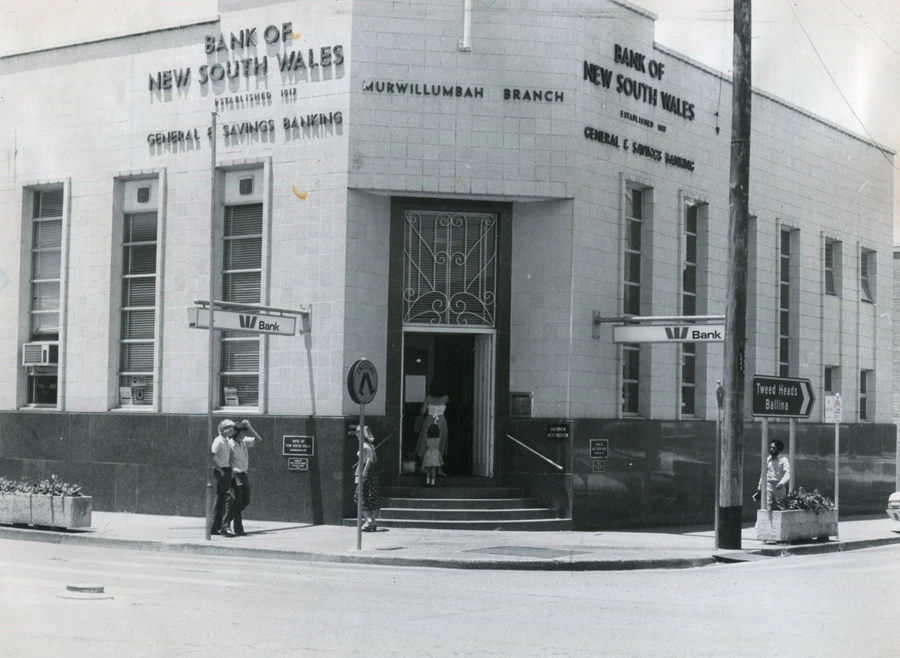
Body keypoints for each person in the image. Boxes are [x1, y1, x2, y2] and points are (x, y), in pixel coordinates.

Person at [228, 419, 263, 537]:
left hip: (244, 474)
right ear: (237, 432)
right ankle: (238, 528)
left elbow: (259, 439)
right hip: (235, 474)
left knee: (246, 500)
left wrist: (250, 427)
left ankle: (225, 519)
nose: (244, 435)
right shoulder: (230, 444)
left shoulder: (244, 442)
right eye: (243, 432)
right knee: (238, 501)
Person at [415, 379, 450, 476]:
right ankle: (438, 470)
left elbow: (422, 411)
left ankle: (426, 468)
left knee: (425, 444)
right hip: (442, 421)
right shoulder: (445, 398)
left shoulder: (428, 398)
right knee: (440, 445)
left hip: (429, 421)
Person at [354, 425, 382, 532]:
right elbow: (375, 460)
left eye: (358, 432)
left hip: (364, 471)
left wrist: (363, 473)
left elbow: (369, 460)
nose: (356, 434)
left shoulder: (364, 446)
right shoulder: (371, 446)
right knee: (371, 498)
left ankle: (368, 519)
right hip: (372, 473)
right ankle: (373, 523)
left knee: (359, 497)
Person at [210, 419, 236, 536]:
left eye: (233, 428)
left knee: (220, 498)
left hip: (226, 469)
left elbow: (227, 458)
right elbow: (210, 458)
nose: (232, 430)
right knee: (229, 496)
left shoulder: (226, 441)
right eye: (229, 428)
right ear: (224, 429)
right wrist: (220, 471)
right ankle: (225, 526)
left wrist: (229, 469)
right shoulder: (218, 441)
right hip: (220, 470)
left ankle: (214, 527)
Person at [753, 439, 791, 507]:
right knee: (767, 506)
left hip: (779, 486)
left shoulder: (784, 460)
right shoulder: (767, 460)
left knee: (781, 506)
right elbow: (763, 474)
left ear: (779, 449)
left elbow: (788, 473)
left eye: (773, 448)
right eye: (770, 447)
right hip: (768, 485)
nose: (771, 449)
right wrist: (760, 485)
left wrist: (782, 482)